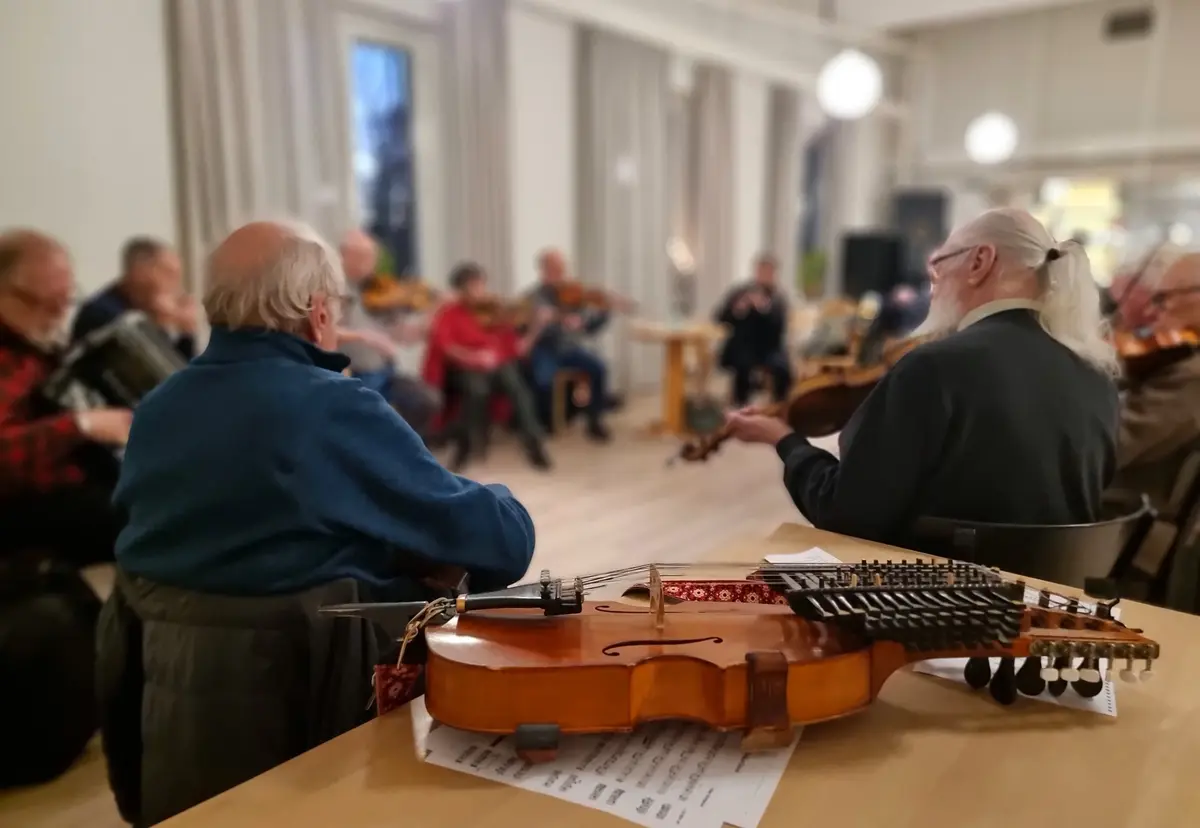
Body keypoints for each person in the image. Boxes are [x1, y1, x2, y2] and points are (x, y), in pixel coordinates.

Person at [113, 221, 536, 599]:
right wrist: (503, 500)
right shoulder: (333, 407)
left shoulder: (154, 409)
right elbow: (503, 545)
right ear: (318, 313)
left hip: (167, 677)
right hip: (313, 676)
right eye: (339, 305)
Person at [722, 208, 1120, 547]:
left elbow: (847, 513)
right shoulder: (1096, 374)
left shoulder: (934, 367)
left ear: (980, 261)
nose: (932, 284)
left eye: (939, 264)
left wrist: (784, 440)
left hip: (934, 610)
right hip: (1050, 613)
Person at [0, 230, 132, 566]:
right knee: (147, 522)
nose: (59, 314)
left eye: (65, 300)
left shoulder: (38, 347)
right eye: (46, 302)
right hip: (21, 505)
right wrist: (81, 425)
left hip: (70, 486)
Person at [423, 263, 551, 472]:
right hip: (461, 367)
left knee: (517, 387)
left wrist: (536, 326)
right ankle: (465, 447)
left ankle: (534, 444)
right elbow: (445, 346)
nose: (480, 290)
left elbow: (515, 346)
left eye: (481, 284)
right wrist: (473, 357)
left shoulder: (494, 310)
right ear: (461, 290)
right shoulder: (449, 312)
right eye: (474, 286)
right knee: (476, 389)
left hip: (495, 364)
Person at [338, 229, 441, 437]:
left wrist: (426, 325)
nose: (371, 264)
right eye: (364, 257)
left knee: (427, 400)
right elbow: (324, 331)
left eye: (373, 258)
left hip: (385, 372)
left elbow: (402, 336)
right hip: (352, 373)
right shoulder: (335, 288)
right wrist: (364, 336)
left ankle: (409, 455)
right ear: (344, 256)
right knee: (369, 419)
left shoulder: (379, 290)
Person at [525, 249, 613, 441]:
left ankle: (595, 421)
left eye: (562, 269)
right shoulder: (534, 296)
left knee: (598, 368)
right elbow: (530, 328)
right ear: (544, 270)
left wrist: (604, 313)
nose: (560, 274)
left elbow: (590, 328)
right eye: (555, 269)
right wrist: (555, 322)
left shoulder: (573, 295)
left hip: (570, 349)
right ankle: (546, 423)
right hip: (545, 348)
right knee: (543, 380)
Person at [72, 236, 198, 359]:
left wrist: (186, 333)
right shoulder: (102, 314)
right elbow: (152, 373)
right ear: (139, 273)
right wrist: (157, 324)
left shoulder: (145, 312)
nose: (176, 288)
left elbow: (186, 374)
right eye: (169, 275)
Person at [714, 254, 792, 407]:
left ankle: (780, 407)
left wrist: (764, 309)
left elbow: (779, 328)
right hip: (742, 347)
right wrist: (738, 310)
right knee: (742, 365)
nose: (764, 276)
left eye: (768, 272)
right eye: (761, 271)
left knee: (783, 369)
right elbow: (720, 317)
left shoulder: (778, 298)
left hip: (769, 349)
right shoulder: (740, 292)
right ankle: (740, 406)